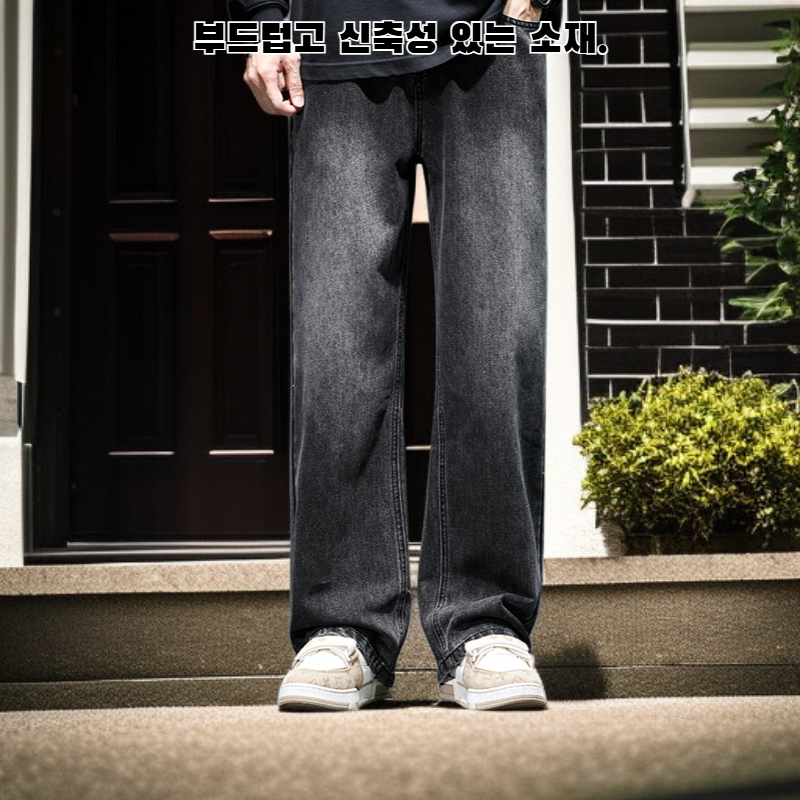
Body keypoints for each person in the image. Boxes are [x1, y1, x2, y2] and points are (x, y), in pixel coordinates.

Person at [228, 0, 562, 711]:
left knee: (498, 332)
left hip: (492, 36)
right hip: (336, 37)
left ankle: (485, 625)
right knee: (338, 341)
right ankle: (344, 625)